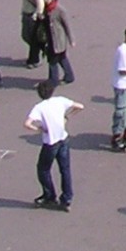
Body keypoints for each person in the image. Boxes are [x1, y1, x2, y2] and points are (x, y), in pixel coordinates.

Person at [26, 80, 84, 210]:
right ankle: (67, 198)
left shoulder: (39, 107)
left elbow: (27, 124)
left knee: (43, 169)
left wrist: (39, 129)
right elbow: (80, 106)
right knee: (65, 170)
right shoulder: (60, 100)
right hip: (63, 139)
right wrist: (66, 117)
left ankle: (49, 195)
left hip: (50, 143)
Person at [41, 0, 75, 86]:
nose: (45, 0)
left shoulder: (60, 10)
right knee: (62, 58)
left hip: (58, 40)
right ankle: (69, 76)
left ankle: (53, 80)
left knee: (52, 60)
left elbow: (67, 26)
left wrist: (71, 40)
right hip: (50, 39)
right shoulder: (46, 9)